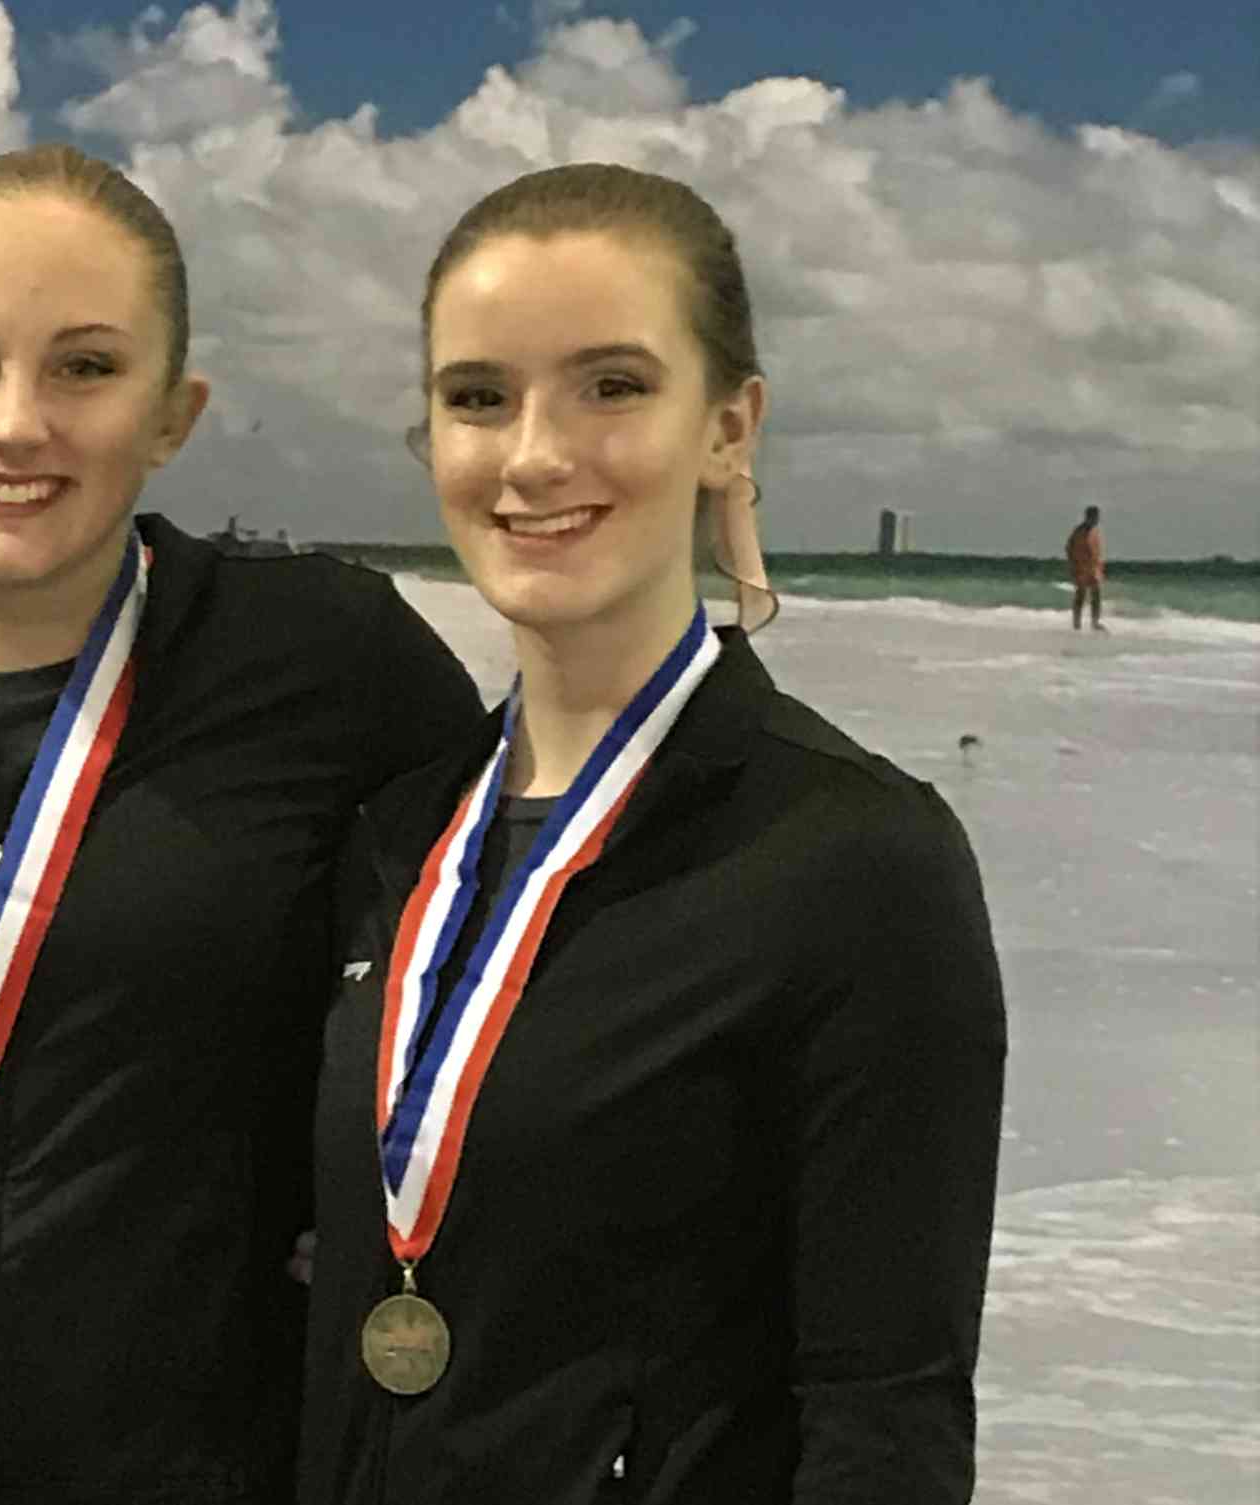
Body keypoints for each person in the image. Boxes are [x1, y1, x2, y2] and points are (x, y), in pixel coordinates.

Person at [0, 145, 483, 1503]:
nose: (15, 423)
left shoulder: (330, 659)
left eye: (85, 367)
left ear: (174, 412)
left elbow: (512, 969)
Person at [299, 163, 1006, 1504]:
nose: (533, 454)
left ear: (730, 428)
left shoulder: (858, 861)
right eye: (478, 397)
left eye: (612, 386)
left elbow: (886, 1418)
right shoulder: (396, 837)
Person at [1067, 504, 1105, 630]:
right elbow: (1069, 548)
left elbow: (1097, 550)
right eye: (1095, 517)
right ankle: (1076, 625)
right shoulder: (1078, 532)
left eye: (1097, 517)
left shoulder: (1095, 531)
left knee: (1096, 596)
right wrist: (1074, 566)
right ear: (1088, 517)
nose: (1097, 520)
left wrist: (1100, 567)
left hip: (1094, 569)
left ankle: (1095, 622)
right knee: (1080, 596)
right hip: (1081, 569)